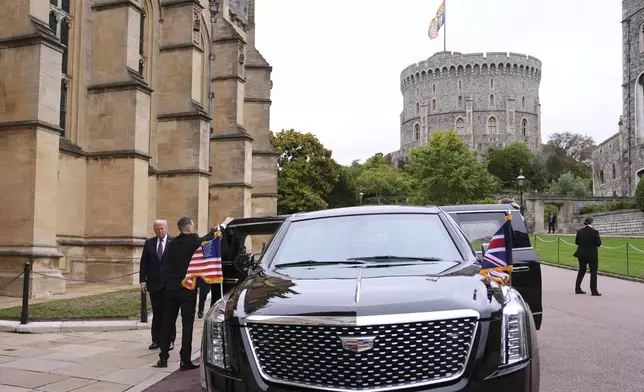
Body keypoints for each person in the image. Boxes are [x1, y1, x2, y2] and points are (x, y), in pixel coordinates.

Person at [156, 217, 216, 370]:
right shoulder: (194, 240)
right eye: (193, 227)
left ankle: (163, 358)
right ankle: (185, 360)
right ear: (189, 229)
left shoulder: (172, 243)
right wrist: (219, 228)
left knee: (167, 324)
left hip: (169, 289)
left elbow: (164, 266)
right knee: (187, 325)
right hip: (187, 289)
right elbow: (208, 239)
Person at [139, 219, 176, 350]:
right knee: (157, 313)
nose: (160, 231)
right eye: (157, 229)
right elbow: (144, 263)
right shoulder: (149, 243)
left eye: (162, 228)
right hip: (154, 284)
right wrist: (143, 280)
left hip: (169, 285)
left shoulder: (174, 242)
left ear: (166, 228)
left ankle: (170, 340)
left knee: (169, 314)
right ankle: (156, 340)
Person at [574, 217, 602, 296]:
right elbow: (599, 243)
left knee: (581, 271)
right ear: (591, 222)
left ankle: (577, 288)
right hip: (592, 255)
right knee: (593, 272)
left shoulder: (580, 231)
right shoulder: (595, 232)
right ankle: (594, 291)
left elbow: (576, 242)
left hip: (581, 254)